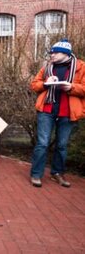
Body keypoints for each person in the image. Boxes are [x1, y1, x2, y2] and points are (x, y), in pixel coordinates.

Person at [30, 38, 85, 188]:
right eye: (51, 52)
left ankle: (57, 173)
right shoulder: (47, 67)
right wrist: (46, 83)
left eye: (55, 52)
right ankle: (36, 174)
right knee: (42, 143)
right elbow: (34, 85)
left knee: (62, 145)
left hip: (68, 112)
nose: (52, 55)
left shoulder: (81, 67)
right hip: (47, 110)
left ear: (66, 53)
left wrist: (72, 87)